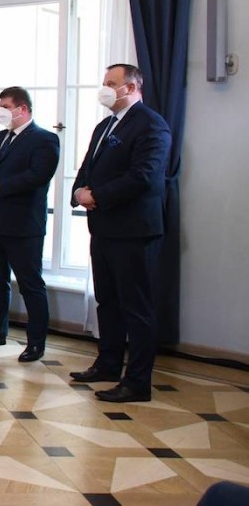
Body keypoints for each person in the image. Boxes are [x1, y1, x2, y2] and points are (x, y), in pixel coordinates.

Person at [70, 64, 171, 403]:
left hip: (134, 231)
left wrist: (97, 196)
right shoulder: (105, 126)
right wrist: (78, 192)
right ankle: (108, 364)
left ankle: (137, 382)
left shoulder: (151, 125)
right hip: (104, 229)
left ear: (131, 87)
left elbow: (144, 176)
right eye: (104, 82)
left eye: (111, 83)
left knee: (136, 308)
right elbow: (87, 167)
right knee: (108, 302)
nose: (105, 88)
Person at [0, 87, 60, 362]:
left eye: (6, 106)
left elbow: (38, 176)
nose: (1, 112)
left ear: (23, 109)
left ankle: (36, 342)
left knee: (31, 285)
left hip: (24, 226)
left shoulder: (44, 139)